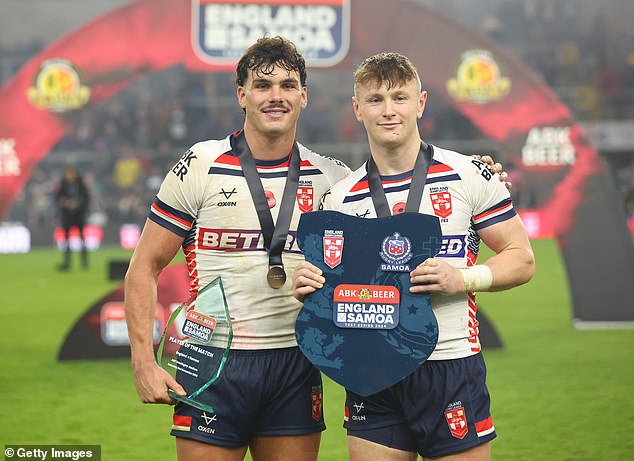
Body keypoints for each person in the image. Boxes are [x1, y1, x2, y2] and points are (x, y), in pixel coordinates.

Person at [292, 52, 535, 460]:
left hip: (449, 366)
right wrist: (310, 287)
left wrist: (462, 279)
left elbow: (522, 258)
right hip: (371, 369)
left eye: (400, 98)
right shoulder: (340, 197)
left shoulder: (469, 175)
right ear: (357, 109)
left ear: (420, 103)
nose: (388, 111)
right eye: (375, 100)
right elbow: (333, 287)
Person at [124, 36, 351, 461]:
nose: (275, 96)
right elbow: (144, 266)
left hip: (293, 363)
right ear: (242, 95)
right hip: (211, 361)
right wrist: (142, 361)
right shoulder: (201, 164)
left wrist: (485, 179)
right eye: (262, 86)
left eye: (287, 85)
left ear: (304, 95)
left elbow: (393, 223)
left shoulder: (332, 179)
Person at [55, 165, 90, 271]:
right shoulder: (63, 185)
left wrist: (78, 205)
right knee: (66, 240)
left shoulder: (80, 184)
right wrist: (65, 203)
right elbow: (58, 198)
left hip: (78, 215)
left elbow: (86, 198)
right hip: (68, 216)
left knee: (82, 239)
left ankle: (84, 263)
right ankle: (67, 263)